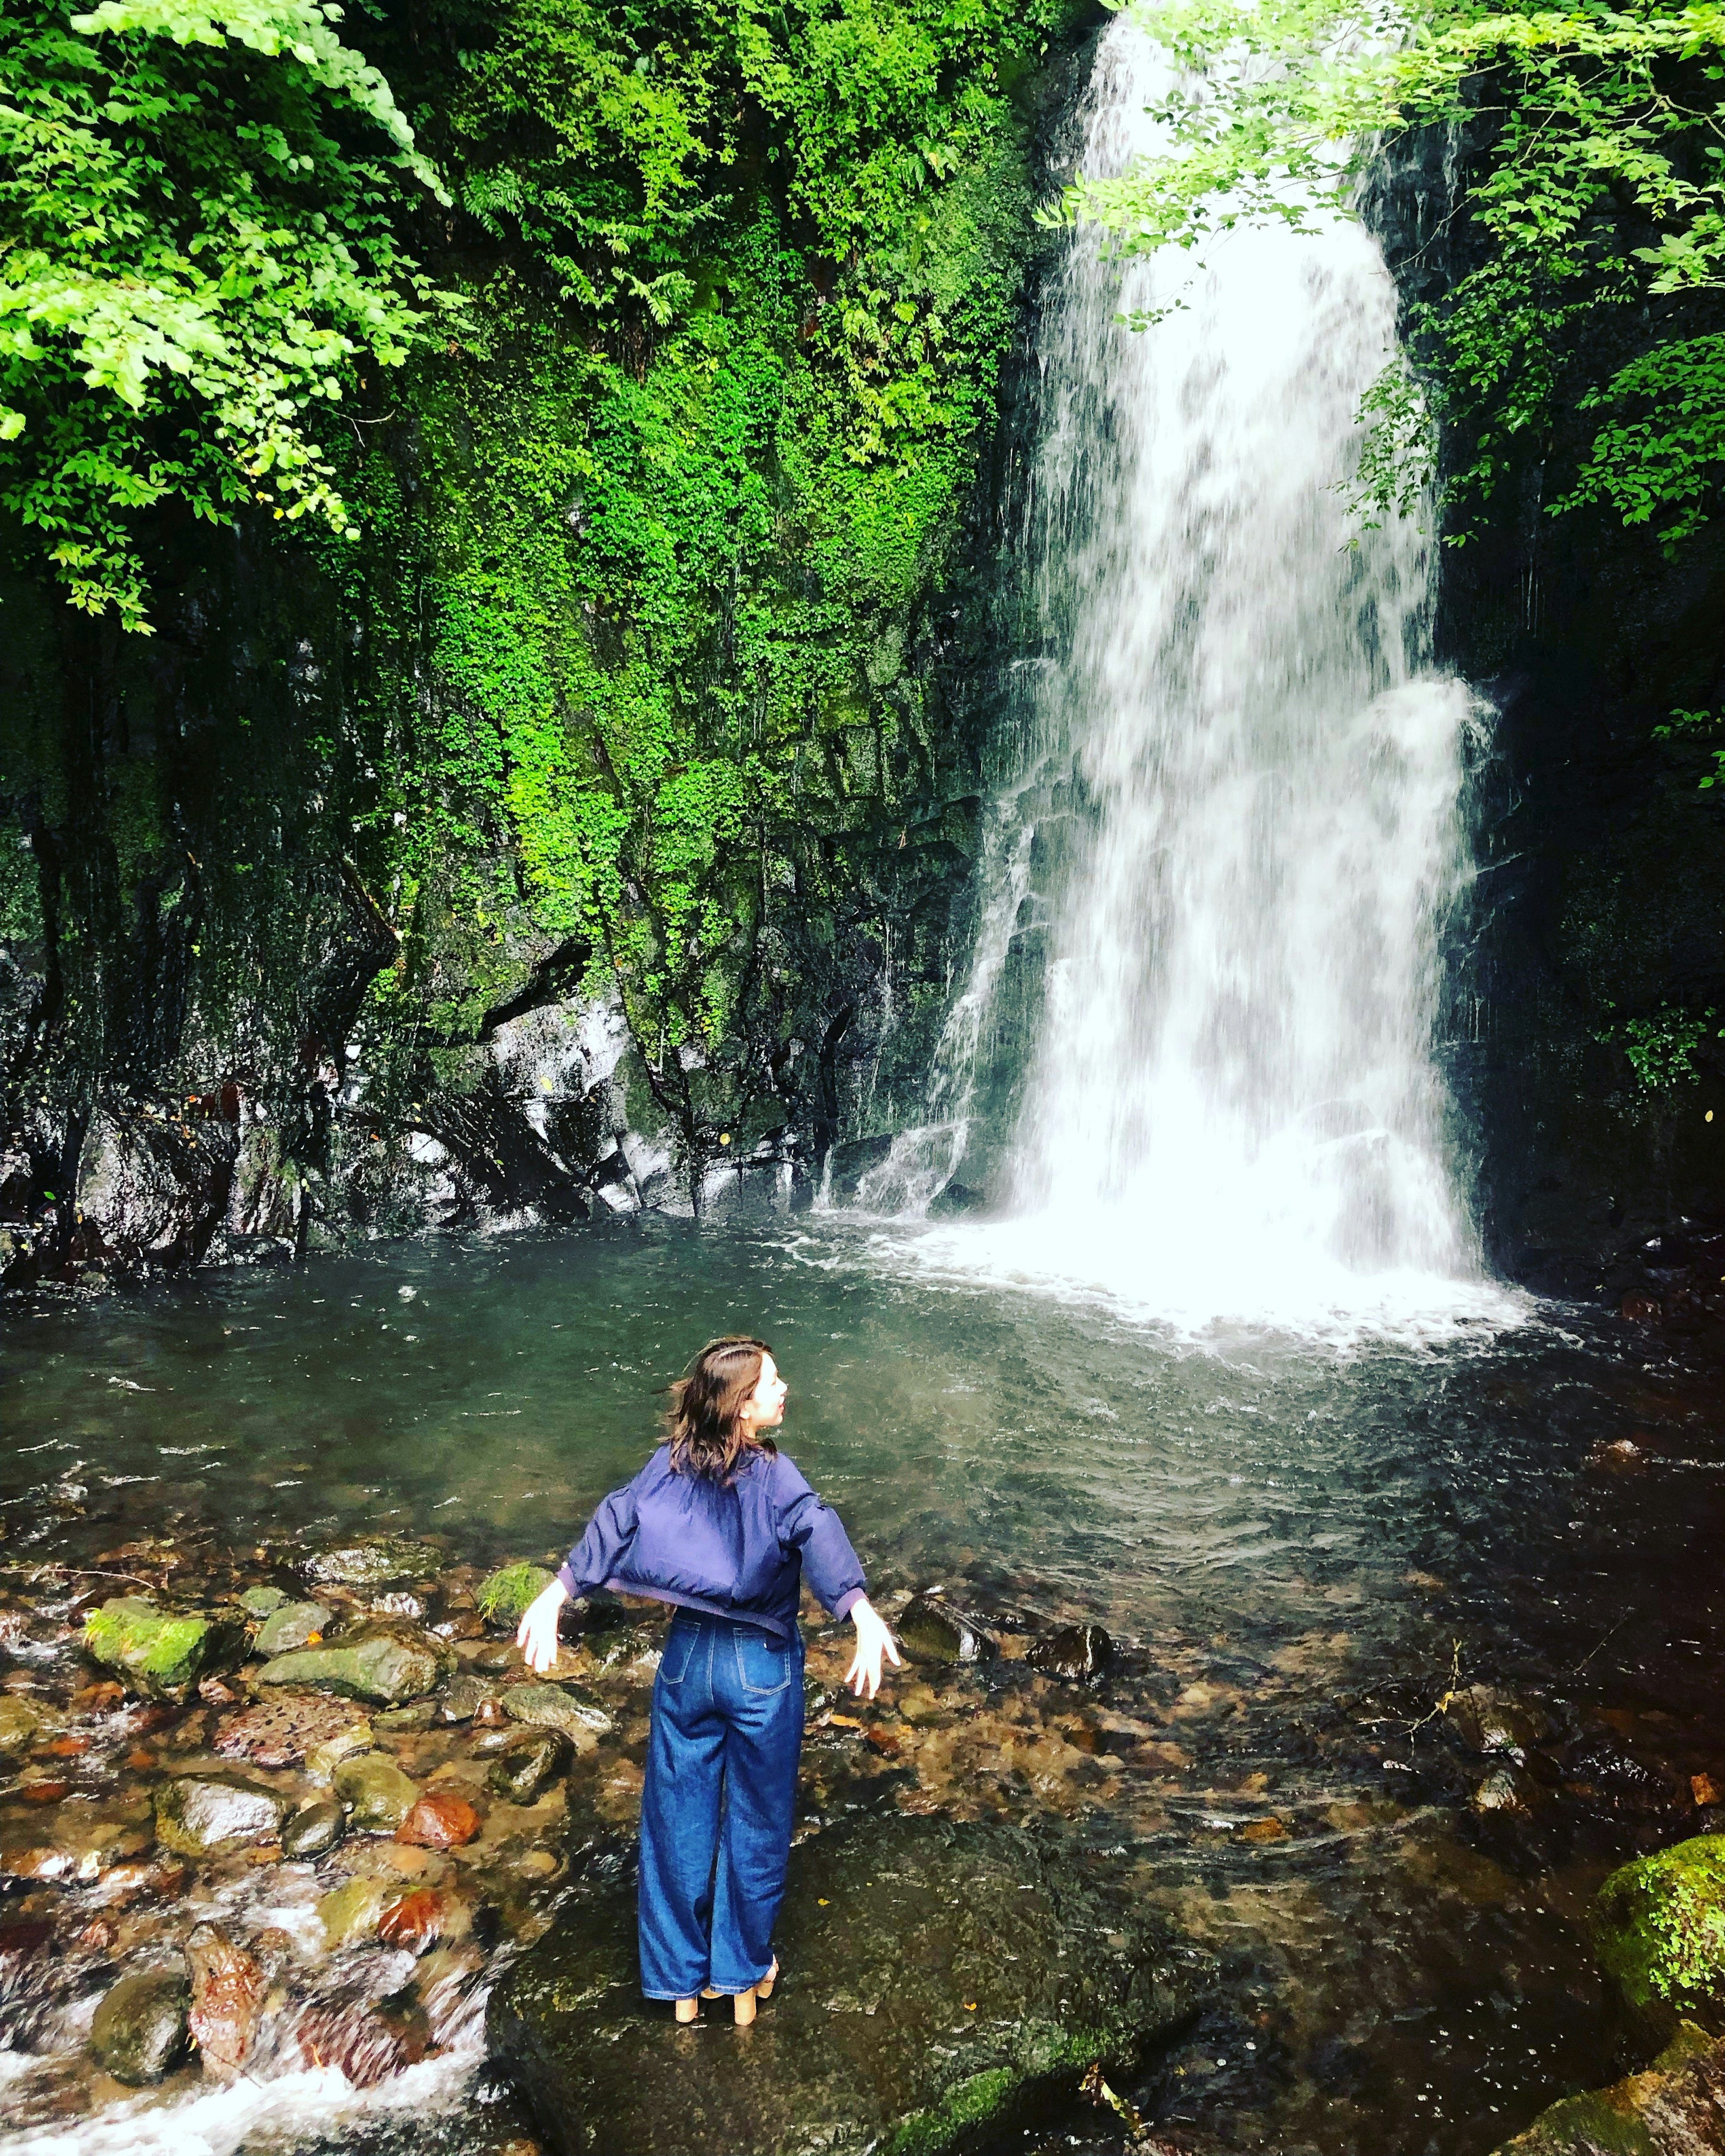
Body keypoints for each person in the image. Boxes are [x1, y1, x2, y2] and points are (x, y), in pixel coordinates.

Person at [515, 1334, 900, 2026]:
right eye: (772, 1383)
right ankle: (742, 1974)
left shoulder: (669, 1466)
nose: (785, 1389)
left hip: (689, 1660)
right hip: (760, 1667)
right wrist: (860, 1611)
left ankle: (678, 1983)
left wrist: (560, 1589)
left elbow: (618, 1514)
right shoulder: (777, 1476)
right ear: (742, 1408)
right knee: (755, 1820)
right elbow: (818, 1529)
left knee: (676, 1816)